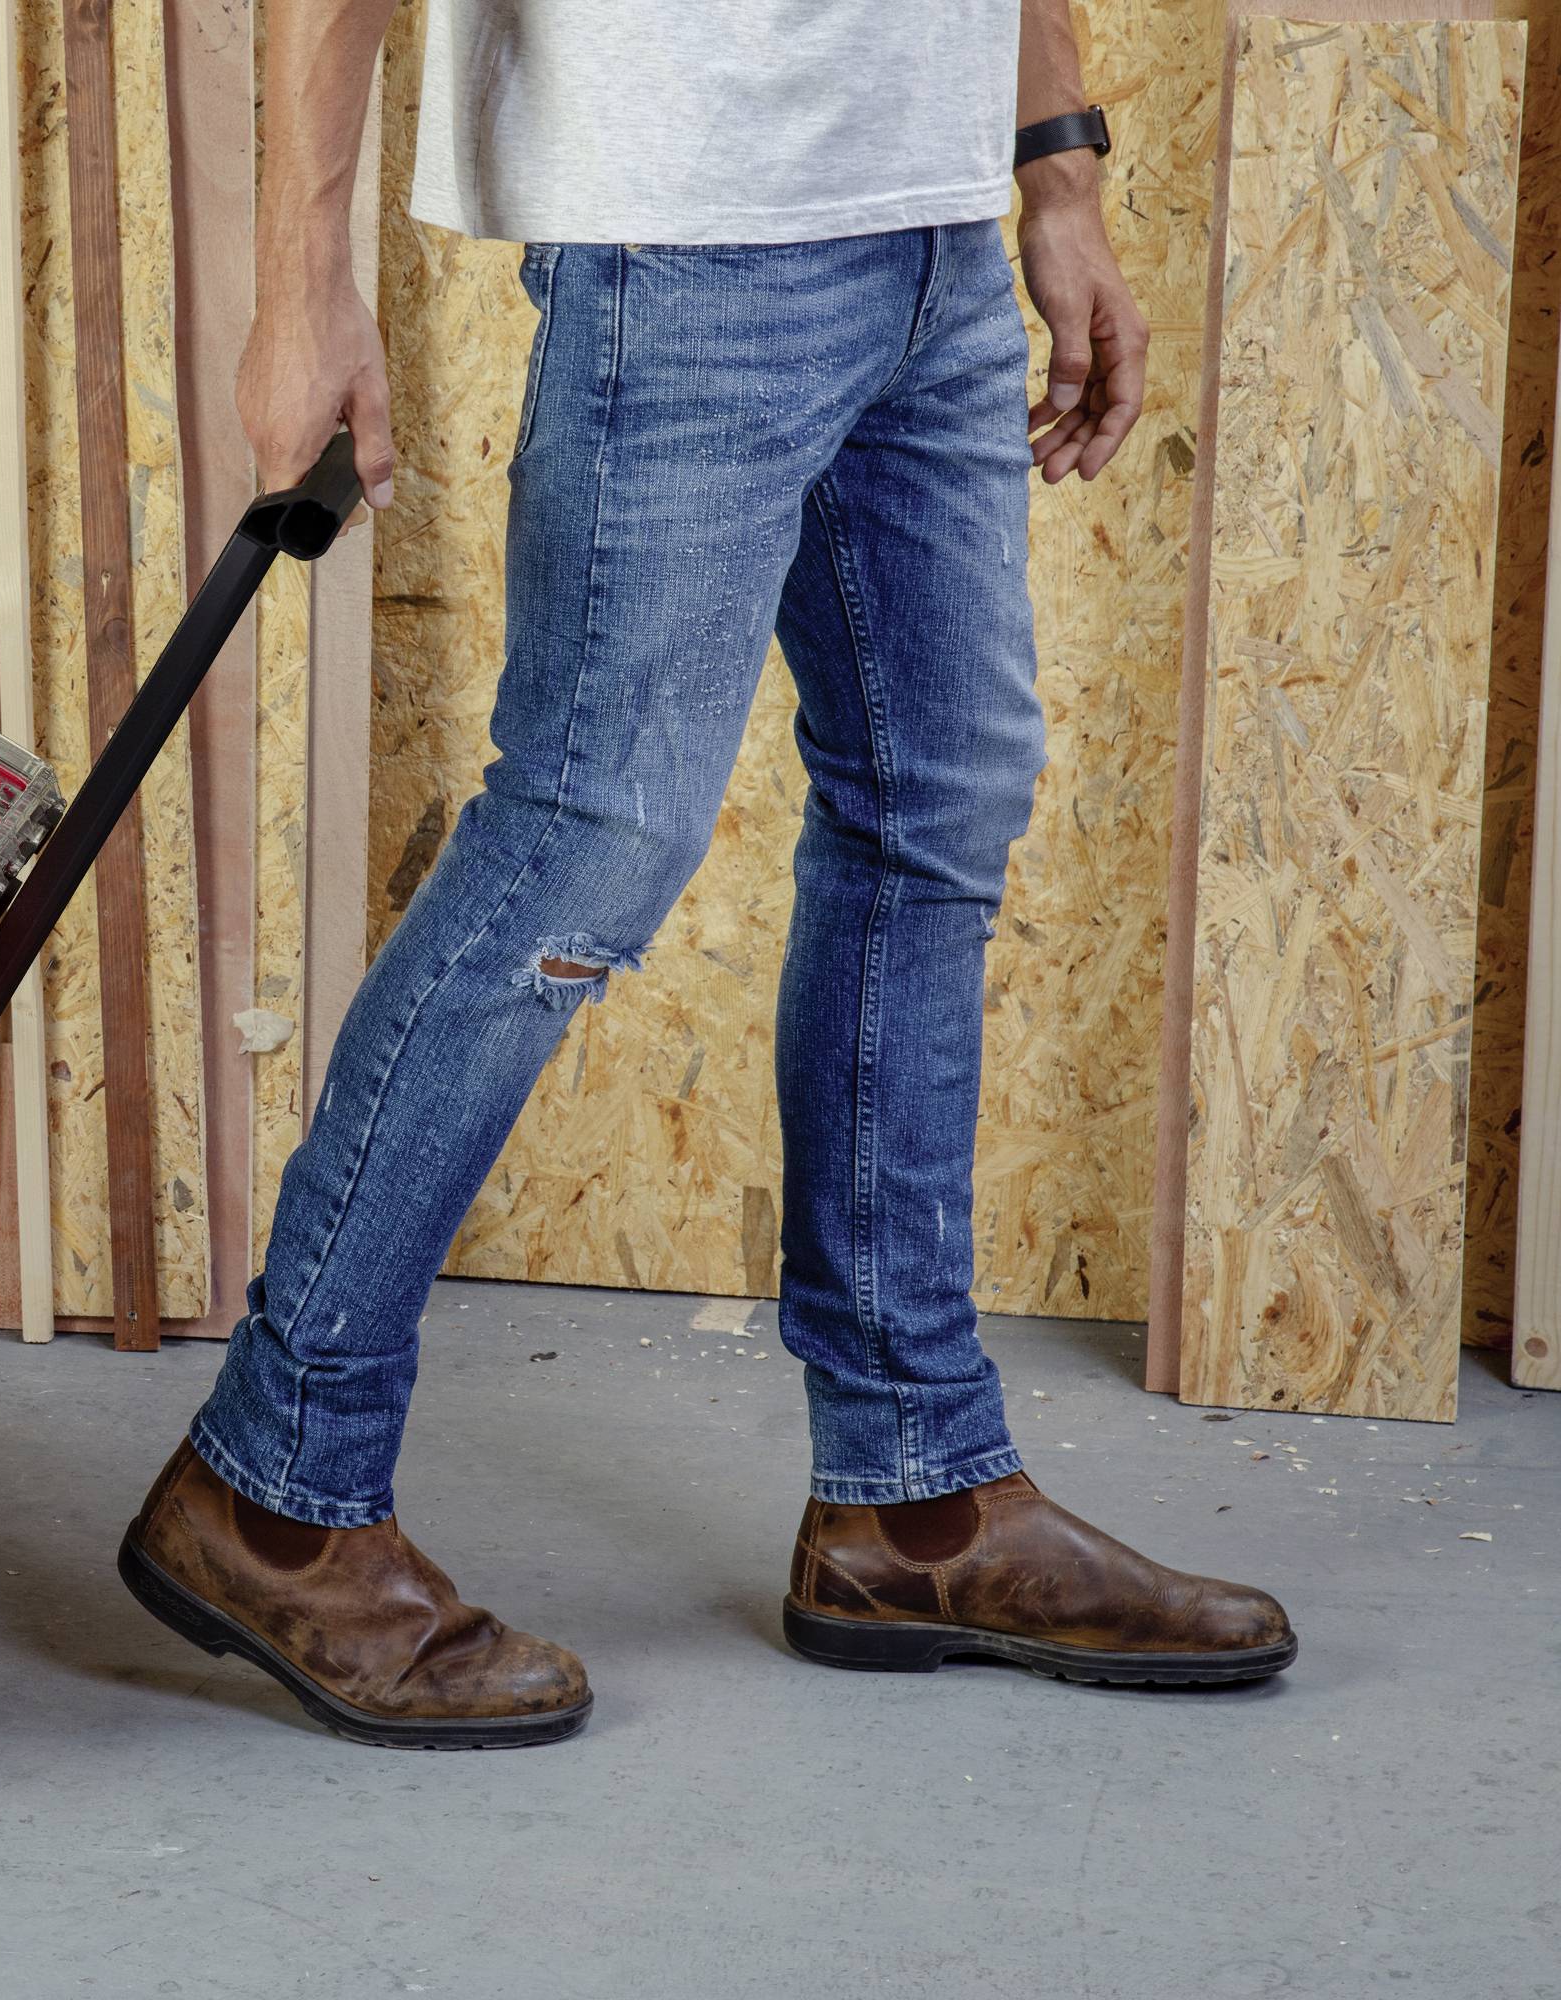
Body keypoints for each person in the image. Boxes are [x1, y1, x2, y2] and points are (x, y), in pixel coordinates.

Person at [118, 0, 1297, 1747]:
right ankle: (274, 1490)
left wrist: (1054, 175)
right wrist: (300, 279)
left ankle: (912, 1502)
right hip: (684, 243)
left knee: (934, 809)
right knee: (589, 838)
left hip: (932, 235)